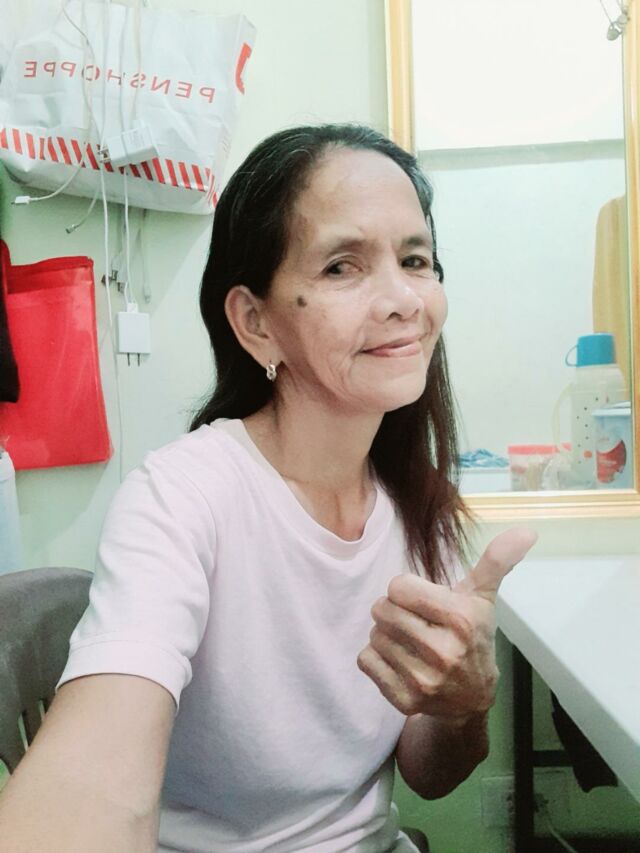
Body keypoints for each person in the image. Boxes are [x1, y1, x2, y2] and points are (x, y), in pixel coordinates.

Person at [0, 124, 536, 852]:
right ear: (256, 323)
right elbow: (94, 776)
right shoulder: (182, 496)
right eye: (343, 266)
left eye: (416, 260)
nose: (403, 299)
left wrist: (466, 701)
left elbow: (429, 773)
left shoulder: (419, 503)